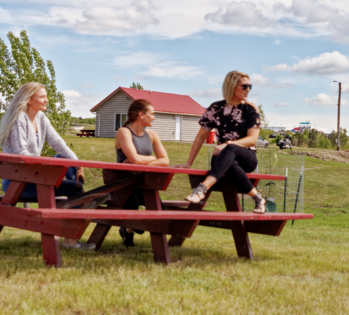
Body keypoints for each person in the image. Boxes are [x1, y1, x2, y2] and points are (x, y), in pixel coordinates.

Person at [0, 81, 100, 250]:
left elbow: (59, 143)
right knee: (76, 190)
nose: (47, 100)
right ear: (29, 100)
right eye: (42, 96)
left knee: (66, 161)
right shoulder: (18, 119)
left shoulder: (40, 118)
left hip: (33, 176)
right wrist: (46, 166)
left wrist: (78, 163)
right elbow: (21, 153)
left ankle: (75, 202)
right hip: (16, 182)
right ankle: (73, 217)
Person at [176, 70, 266, 213]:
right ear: (231, 86)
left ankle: (202, 188)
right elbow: (200, 137)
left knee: (229, 149)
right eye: (244, 86)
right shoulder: (215, 108)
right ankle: (258, 198)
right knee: (228, 160)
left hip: (247, 157)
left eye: (250, 86)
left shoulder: (250, 109)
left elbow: (252, 139)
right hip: (223, 159)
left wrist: (227, 144)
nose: (248, 89)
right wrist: (189, 163)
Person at [114, 98, 169, 247]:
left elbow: (165, 161)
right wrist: (152, 158)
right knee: (133, 202)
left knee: (159, 209)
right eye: (152, 113)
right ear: (141, 115)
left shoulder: (151, 135)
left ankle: (128, 229)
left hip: (143, 183)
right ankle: (129, 229)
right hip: (123, 184)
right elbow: (134, 159)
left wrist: (146, 161)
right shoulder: (124, 132)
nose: (154, 117)